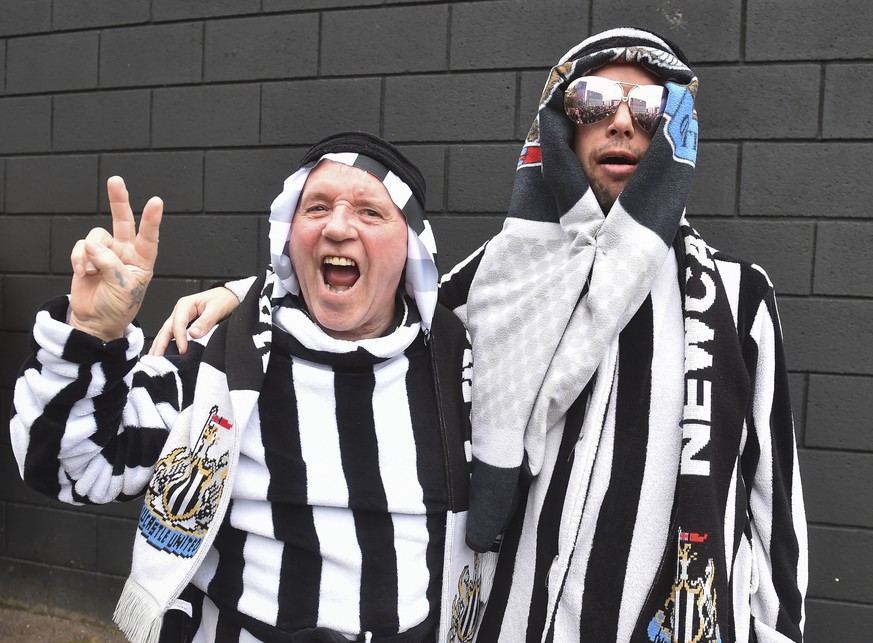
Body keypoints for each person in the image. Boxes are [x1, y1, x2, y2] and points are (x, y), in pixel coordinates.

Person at [149, 27, 809, 642]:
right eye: (594, 99)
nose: (619, 121)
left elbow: (772, 502)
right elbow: (386, 296)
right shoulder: (499, 277)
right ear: (561, 124)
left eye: (646, 105)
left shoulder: (734, 296)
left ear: (673, 127)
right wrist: (250, 291)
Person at [10, 132, 492, 642]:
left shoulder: (456, 362)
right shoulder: (222, 355)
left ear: (411, 247)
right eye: (317, 207)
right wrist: (93, 335)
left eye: (371, 212)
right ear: (289, 234)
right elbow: (72, 466)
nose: (337, 226)